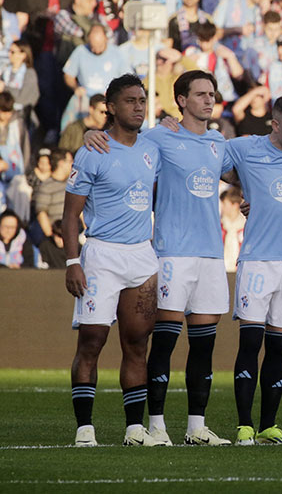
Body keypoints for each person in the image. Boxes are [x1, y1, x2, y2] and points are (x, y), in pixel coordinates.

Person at [63, 75, 163, 447]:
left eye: (142, 101)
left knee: (138, 343)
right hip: (102, 254)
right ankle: (85, 429)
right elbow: (70, 214)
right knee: (92, 340)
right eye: (130, 101)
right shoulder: (93, 150)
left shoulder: (152, 147)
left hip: (142, 254)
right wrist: (74, 260)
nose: (138, 106)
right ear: (111, 107)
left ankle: (134, 429)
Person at [225, 93, 282, 446]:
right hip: (258, 260)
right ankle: (244, 426)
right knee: (251, 342)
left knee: (279, 347)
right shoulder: (245, 147)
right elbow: (210, 162)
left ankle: (268, 426)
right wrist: (248, 187)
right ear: (275, 124)